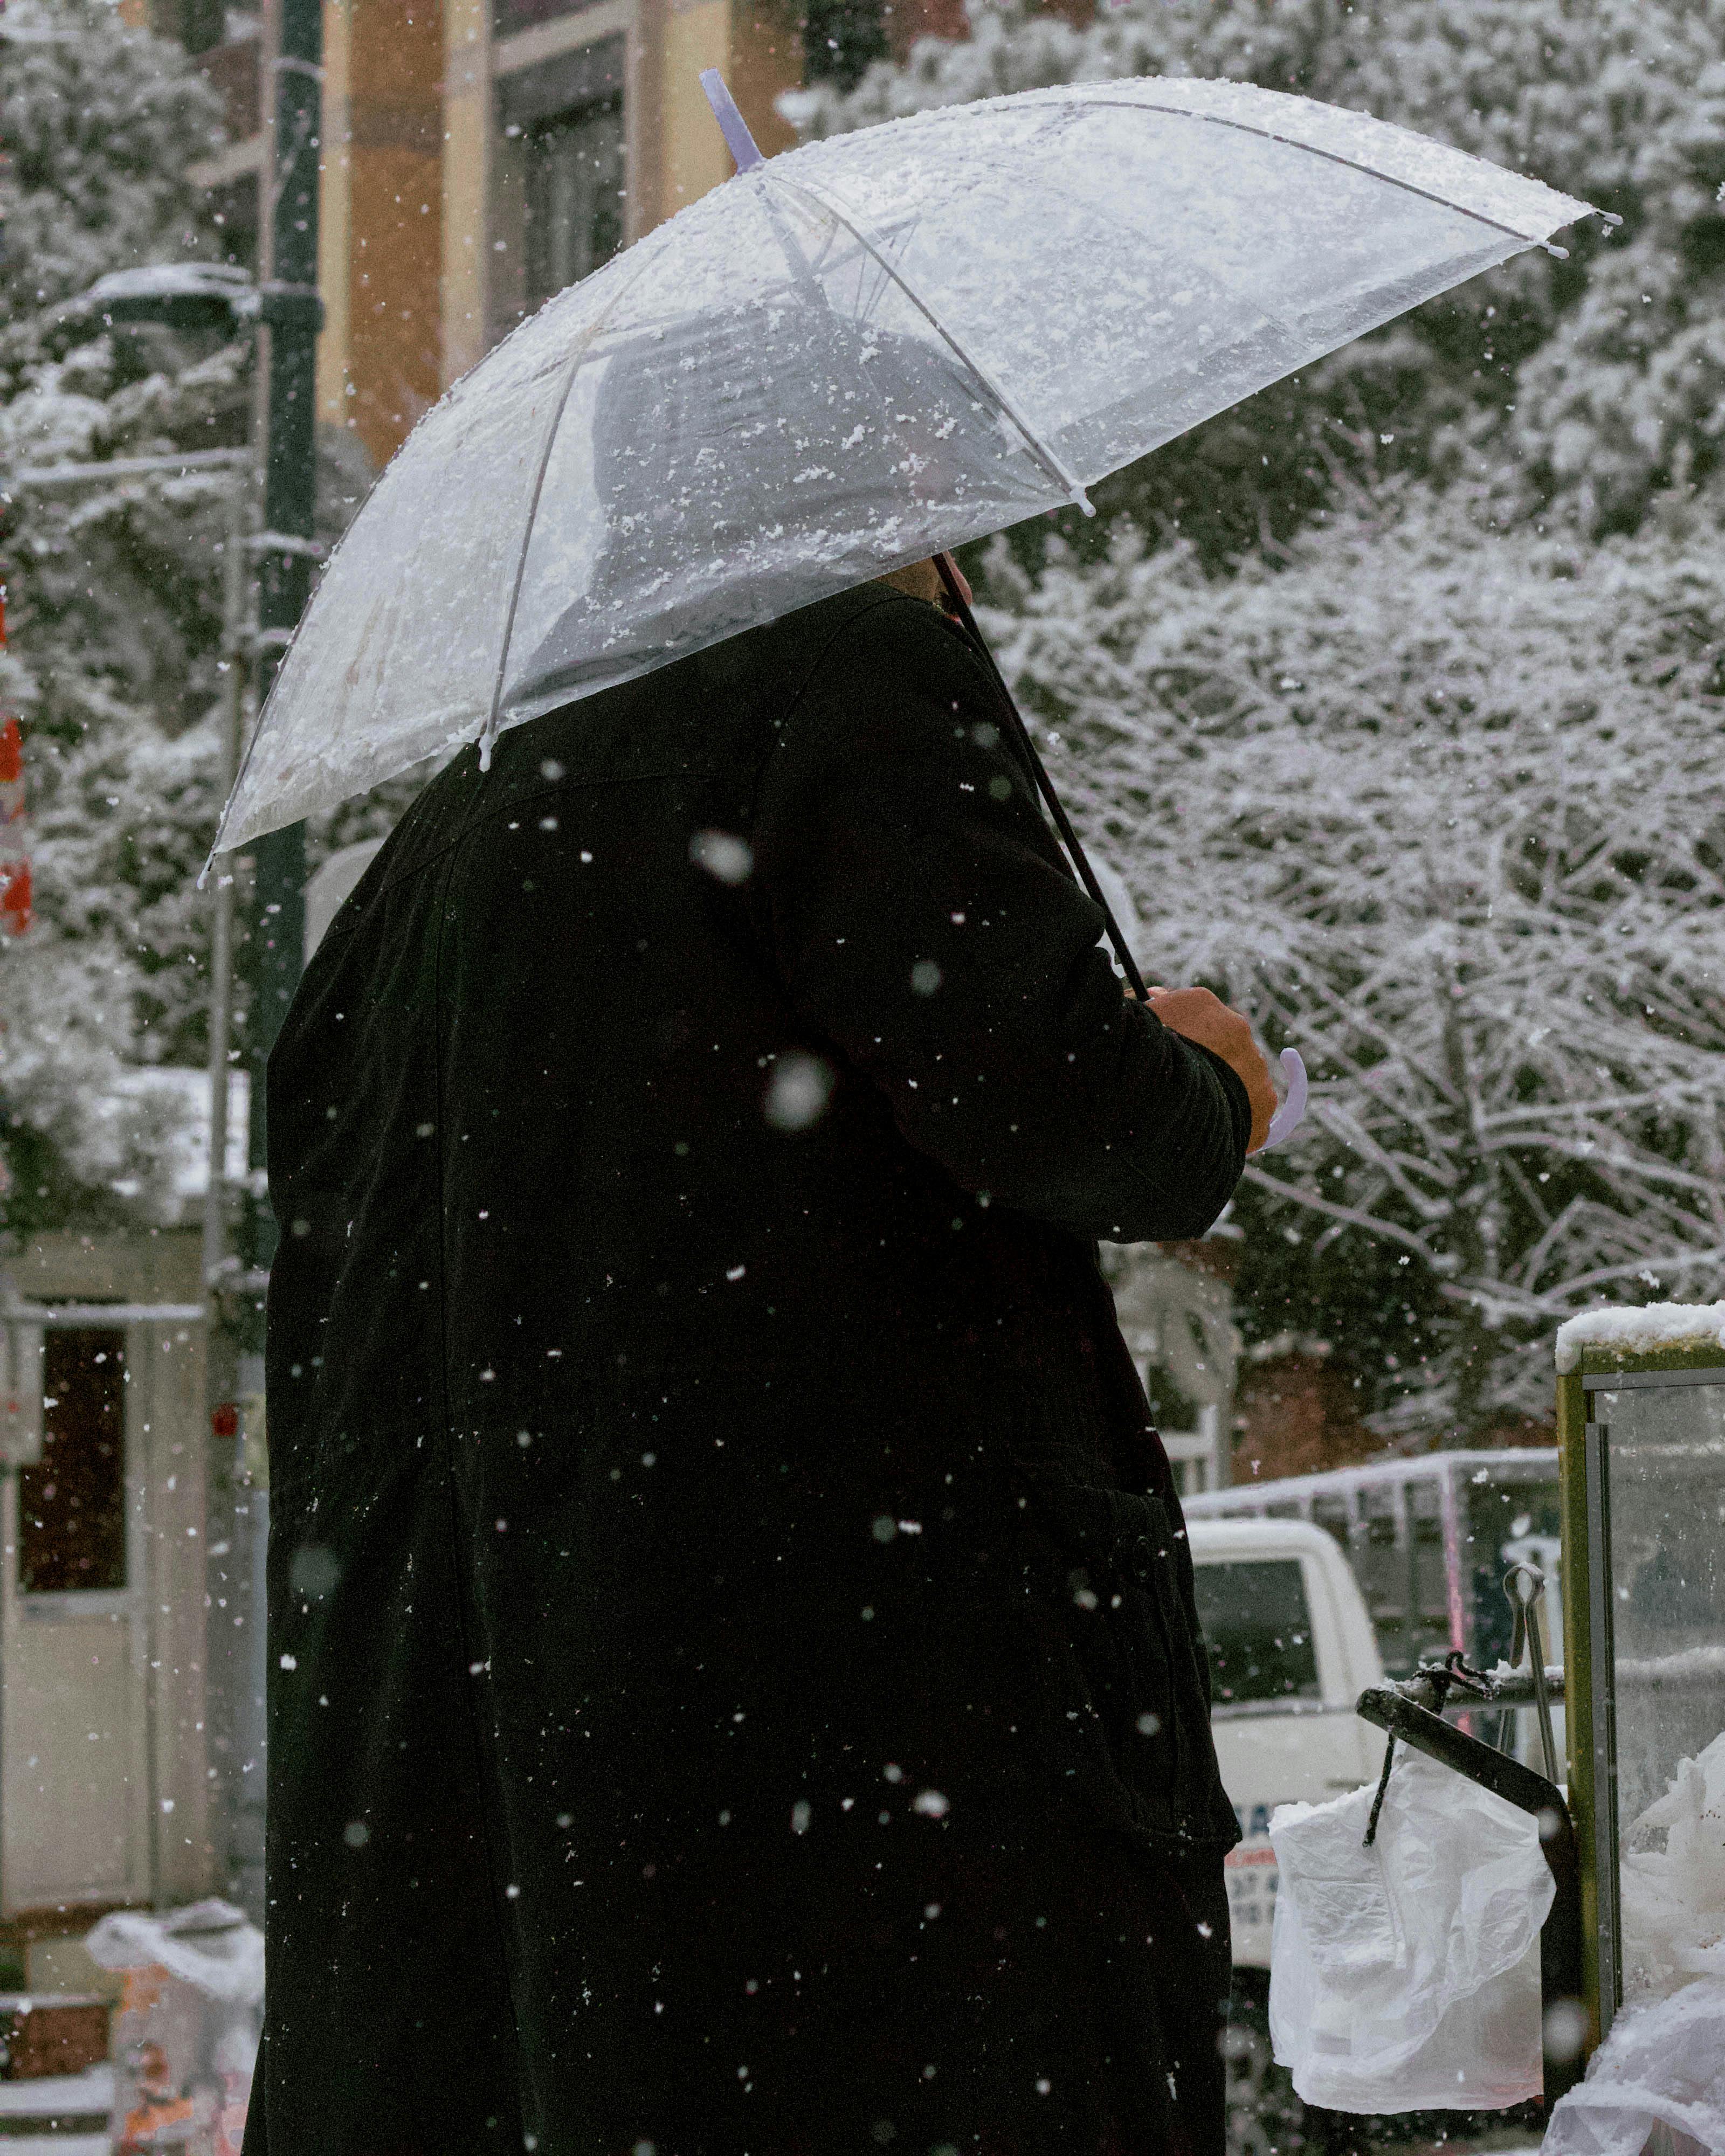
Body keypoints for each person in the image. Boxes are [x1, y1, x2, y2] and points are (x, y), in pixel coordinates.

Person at [253, 556, 1275, 2155]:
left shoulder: (456, 823)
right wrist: (1207, 1087)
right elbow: (1073, 1111)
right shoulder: (844, 680)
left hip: (525, 1803)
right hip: (866, 1754)